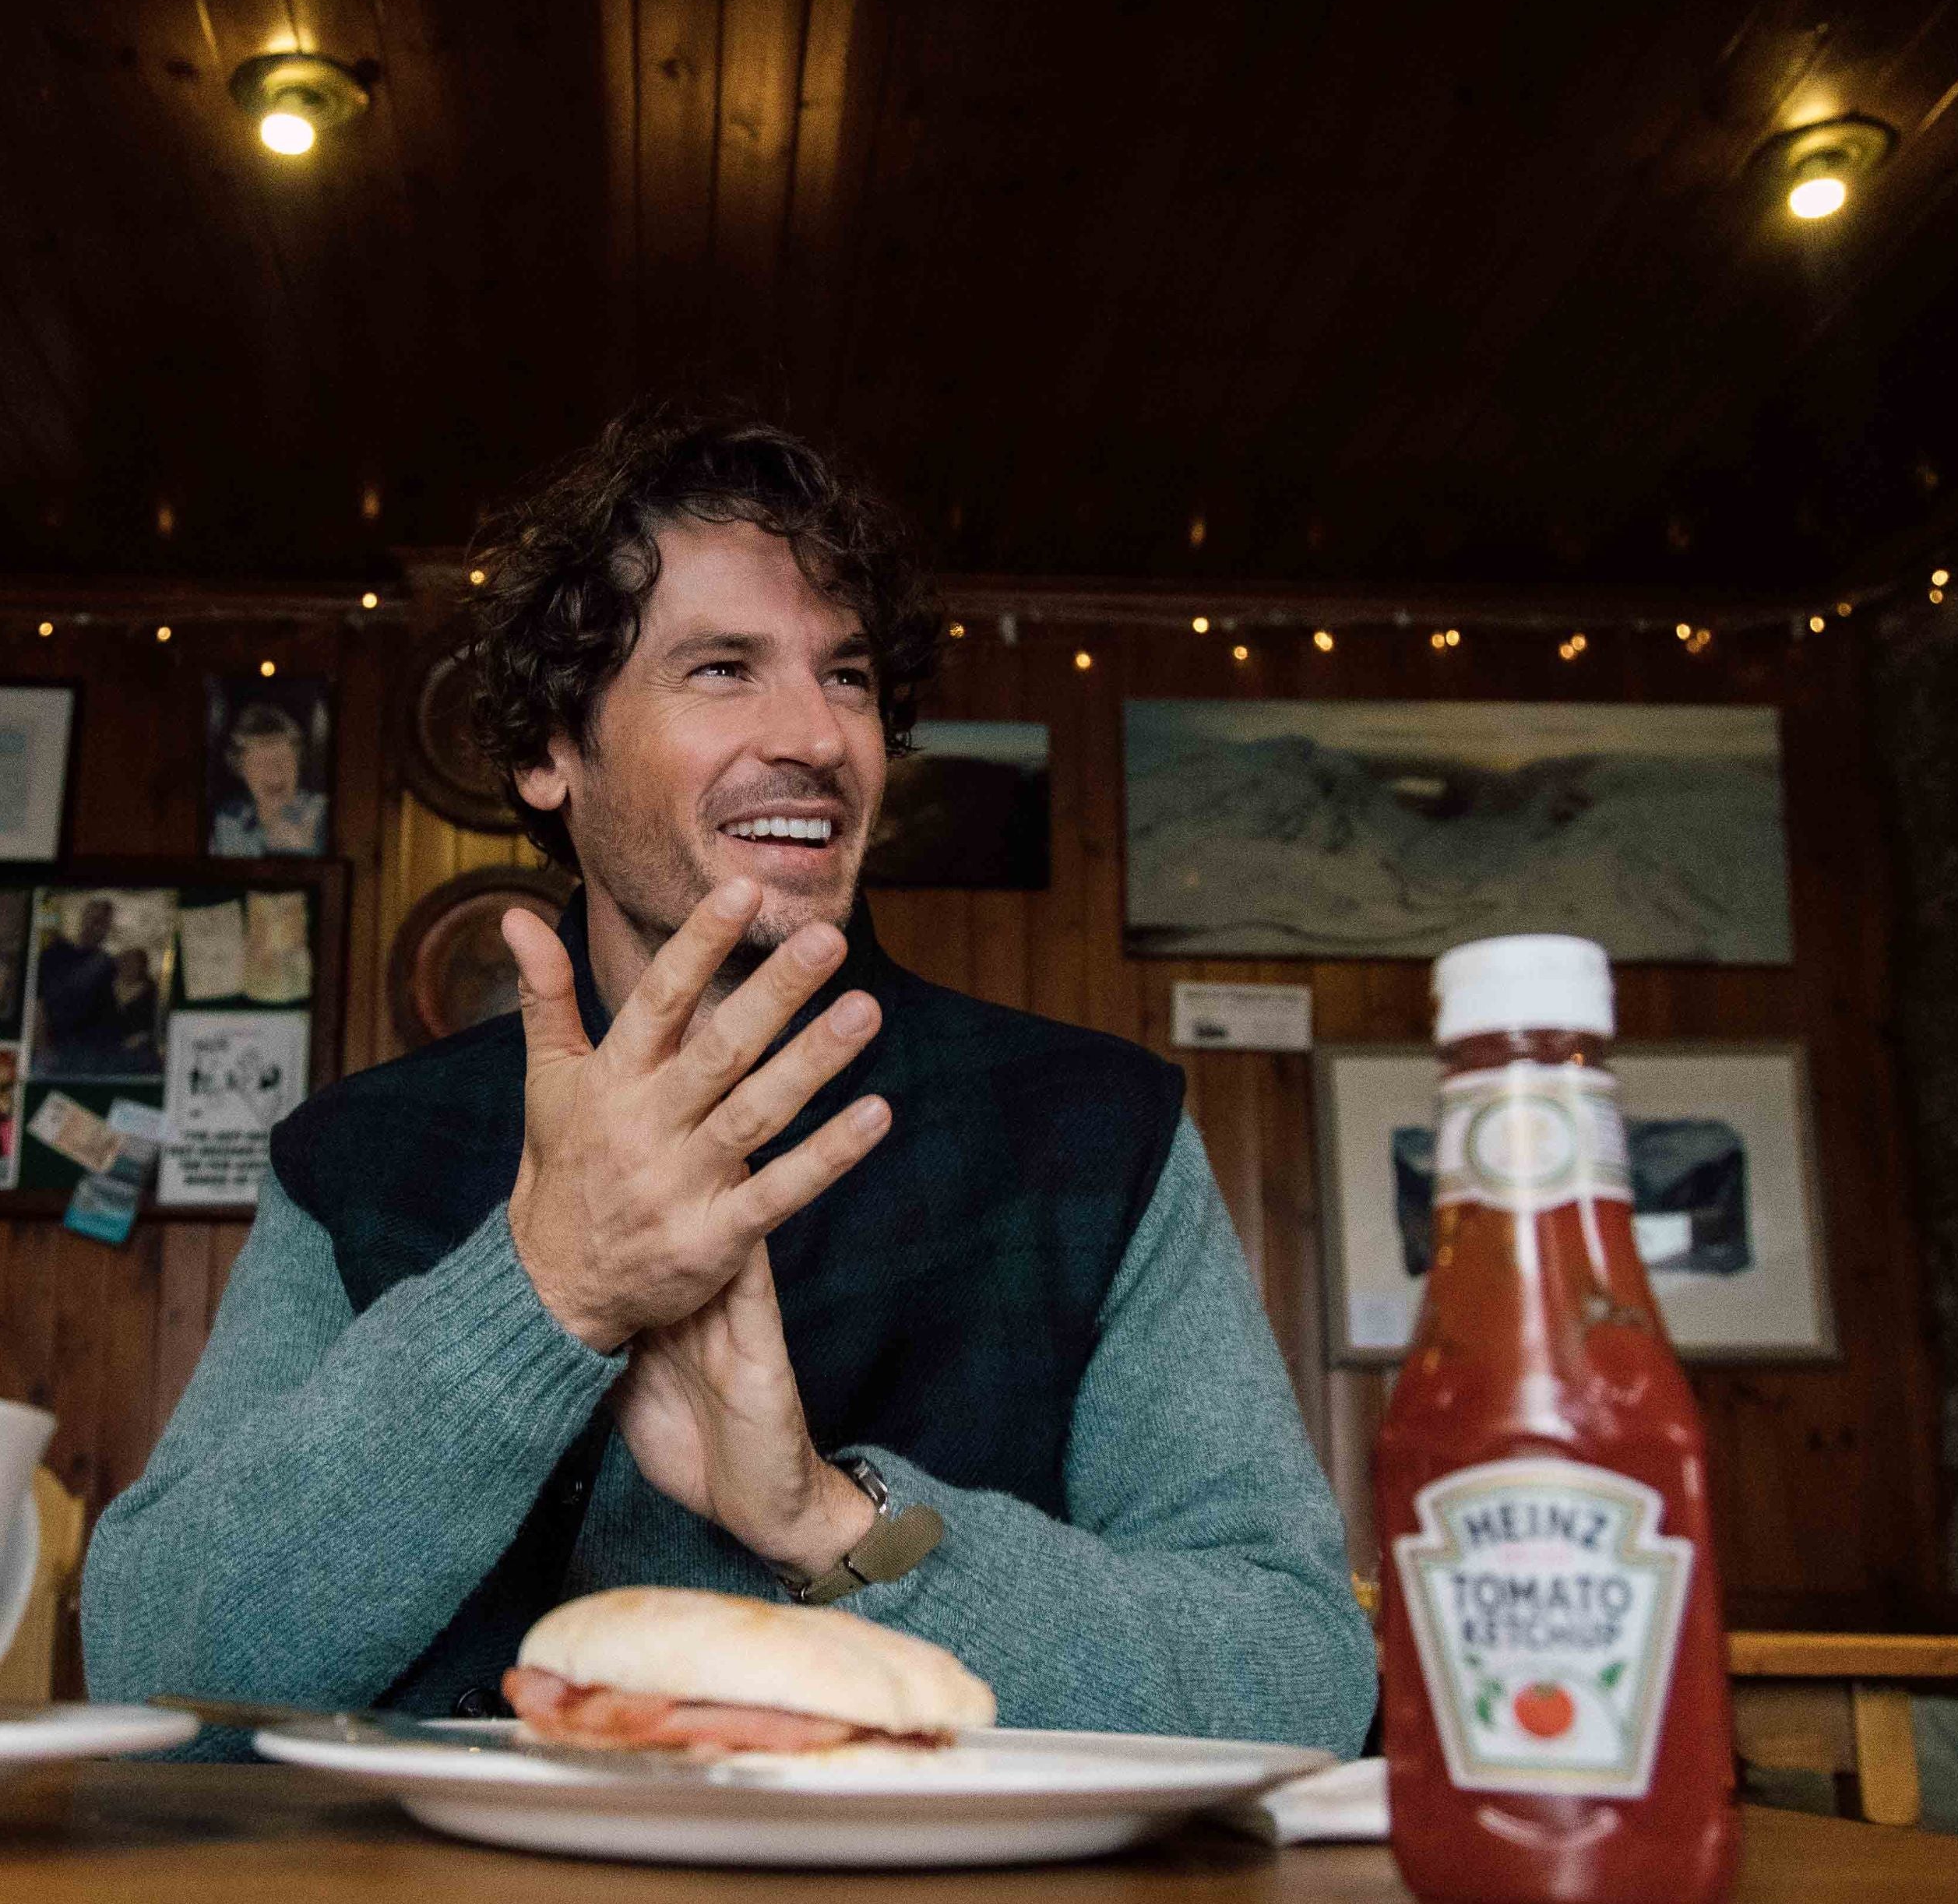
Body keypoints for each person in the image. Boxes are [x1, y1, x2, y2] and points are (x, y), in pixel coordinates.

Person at [81, 408, 1374, 1748]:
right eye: (722, 669)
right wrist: (541, 1303)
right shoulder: (353, 1161)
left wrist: (833, 1524)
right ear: (550, 753)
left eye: (852, 676)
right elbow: (156, 1665)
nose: (816, 733)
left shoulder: (1098, 1134)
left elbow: (1306, 1683)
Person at [35, 899, 160, 1075]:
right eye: (95, 921)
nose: (97, 929)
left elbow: (128, 999)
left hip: (99, 1054)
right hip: (61, 1050)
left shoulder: (108, 964)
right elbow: (37, 1005)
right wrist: (43, 1049)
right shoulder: (53, 955)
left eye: (104, 924)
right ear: (83, 918)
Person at [207, 702, 329, 856]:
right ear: (240, 769)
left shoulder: (322, 815)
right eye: (260, 762)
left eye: (283, 759)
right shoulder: (227, 822)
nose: (274, 772)